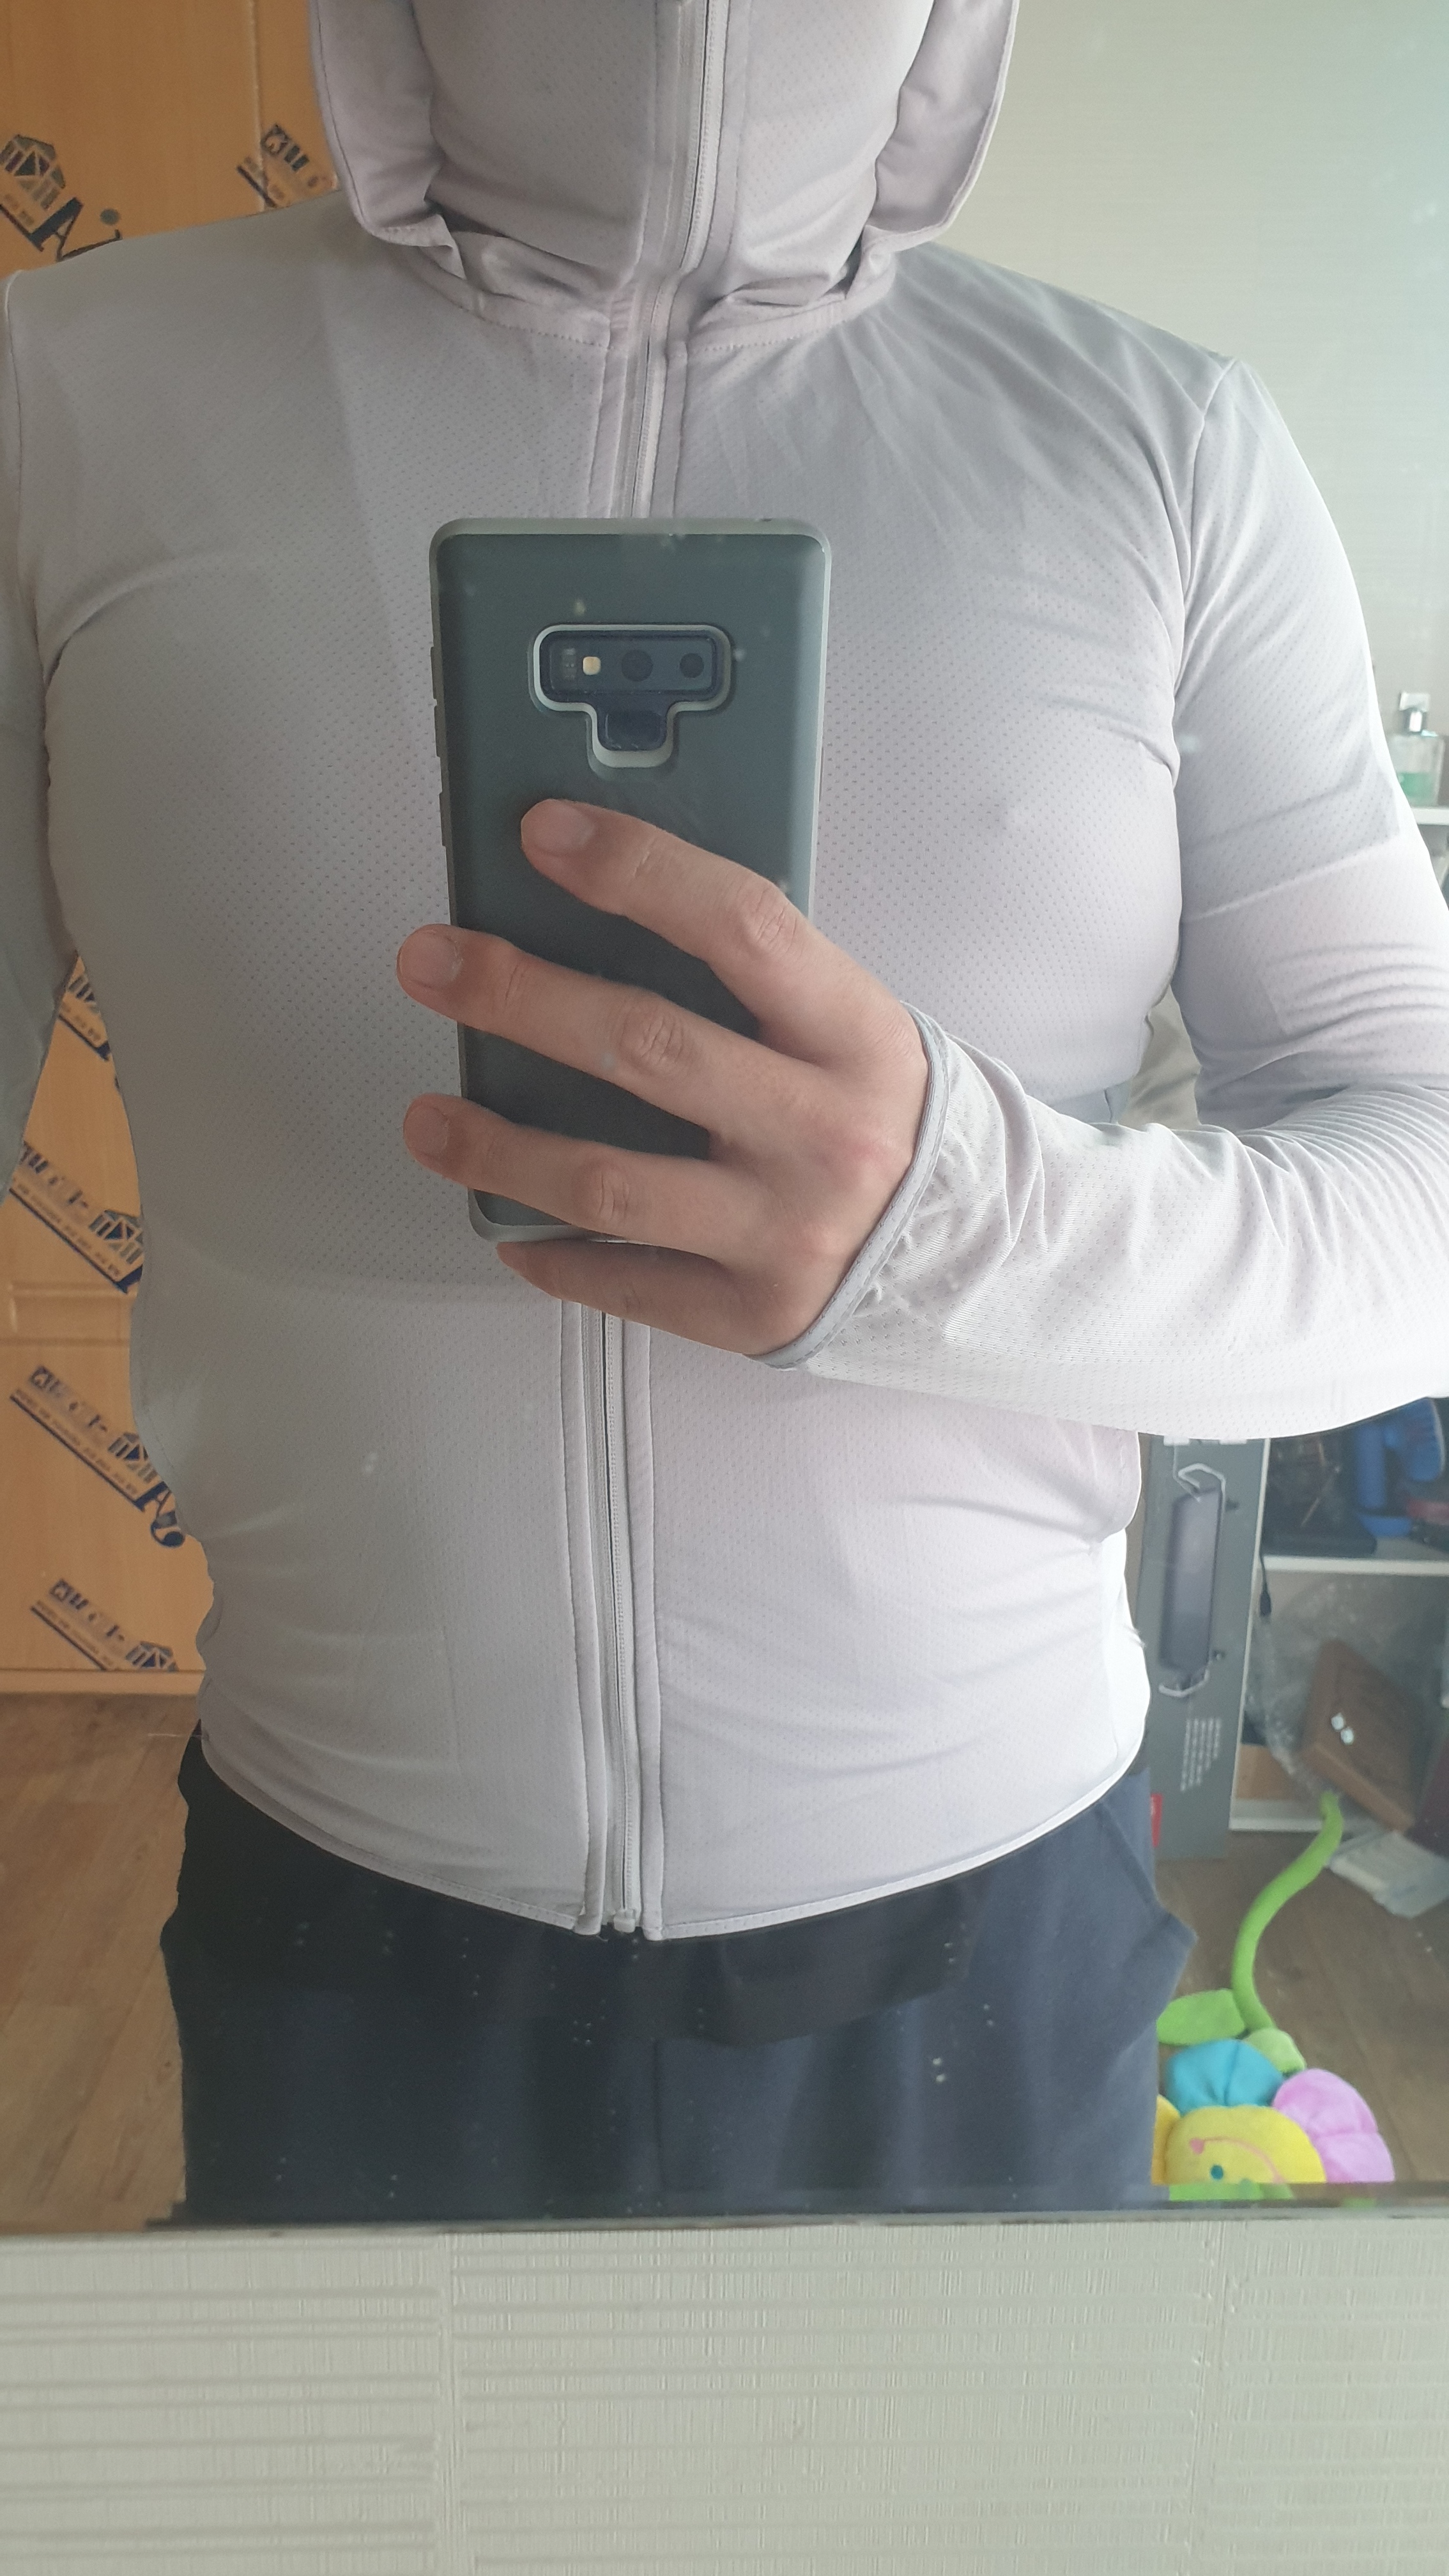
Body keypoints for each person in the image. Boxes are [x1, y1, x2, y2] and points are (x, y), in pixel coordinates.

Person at [4, 0, 1448, 2223]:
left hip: (986, 1911)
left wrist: (946, 1230)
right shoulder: (61, 402)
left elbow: (1417, 1200)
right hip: (346, 1903)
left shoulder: (1164, 448)